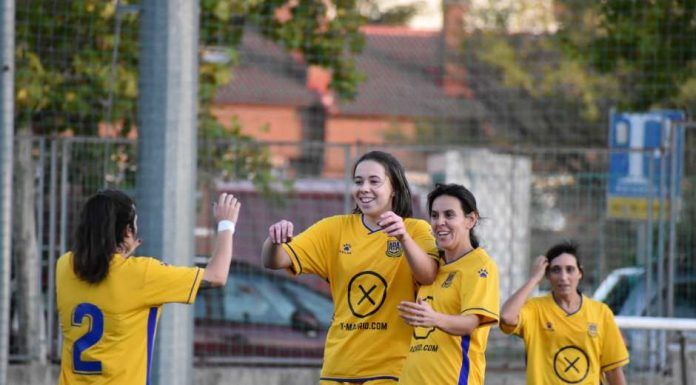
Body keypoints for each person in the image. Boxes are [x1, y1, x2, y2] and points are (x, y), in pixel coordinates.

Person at [262, 150, 439, 384]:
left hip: (391, 370)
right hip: (339, 368)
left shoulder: (416, 230)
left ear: (394, 188)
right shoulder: (334, 229)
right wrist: (274, 240)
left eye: (374, 181)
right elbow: (273, 261)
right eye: (358, 181)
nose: (364, 188)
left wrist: (403, 238)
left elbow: (428, 276)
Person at [56, 189, 241, 384]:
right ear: (127, 231)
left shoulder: (64, 266)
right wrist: (226, 225)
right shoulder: (142, 274)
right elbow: (217, 275)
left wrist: (123, 255)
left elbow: (105, 281)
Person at [397, 183, 500, 385]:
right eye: (435, 215)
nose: (440, 222)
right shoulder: (432, 265)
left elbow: (471, 323)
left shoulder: (480, 265)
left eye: (449, 215)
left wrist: (434, 318)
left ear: (470, 220)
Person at [500, 241, 629, 385]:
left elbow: (613, 370)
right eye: (556, 270)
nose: (563, 277)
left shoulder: (600, 313)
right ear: (547, 275)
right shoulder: (535, 309)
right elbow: (507, 317)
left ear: (580, 273)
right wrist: (534, 279)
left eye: (570, 269)